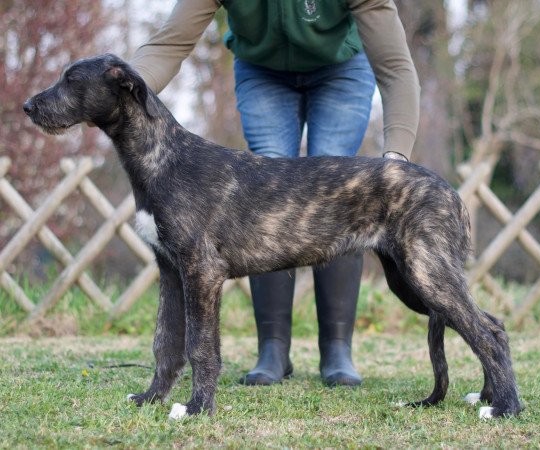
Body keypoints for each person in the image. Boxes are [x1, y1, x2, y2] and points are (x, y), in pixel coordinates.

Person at [131, 0, 420, 387]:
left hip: (341, 68)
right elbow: (169, 45)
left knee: (338, 195)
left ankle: (336, 349)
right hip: (262, 71)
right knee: (266, 188)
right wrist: (122, 88)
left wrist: (396, 156)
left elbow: (395, 66)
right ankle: (273, 348)